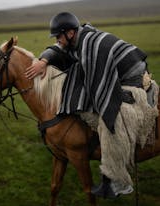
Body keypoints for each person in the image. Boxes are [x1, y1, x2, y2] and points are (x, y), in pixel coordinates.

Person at [25, 12, 152, 198]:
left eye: (59, 36)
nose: (57, 40)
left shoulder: (91, 45)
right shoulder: (80, 38)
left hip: (132, 77)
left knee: (109, 118)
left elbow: (99, 84)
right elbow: (58, 49)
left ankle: (117, 181)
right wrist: (44, 61)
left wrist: (103, 105)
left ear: (70, 33)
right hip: (119, 72)